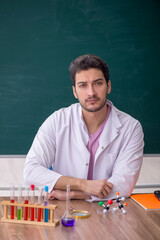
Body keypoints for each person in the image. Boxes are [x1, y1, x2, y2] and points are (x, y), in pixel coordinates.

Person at [24, 54, 144, 201]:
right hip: (64, 212)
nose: (91, 92)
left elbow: (124, 185)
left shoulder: (131, 128)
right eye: (83, 85)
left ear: (109, 86)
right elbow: (31, 172)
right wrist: (82, 184)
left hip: (108, 213)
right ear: (74, 91)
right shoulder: (57, 121)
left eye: (98, 83)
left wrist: (74, 194)